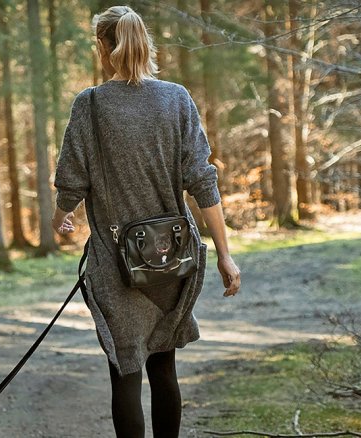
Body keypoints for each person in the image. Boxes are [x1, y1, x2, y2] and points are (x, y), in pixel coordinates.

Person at [50, 5, 241, 438]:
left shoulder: (91, 104)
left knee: (125, 371)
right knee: (164, 365)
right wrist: (226, 256)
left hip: (115, 262)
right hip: (172, 258)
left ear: (102, 46)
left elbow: (71, 183)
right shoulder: (176, 99)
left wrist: (59, 221)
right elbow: (203, 181)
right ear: (145, 44)